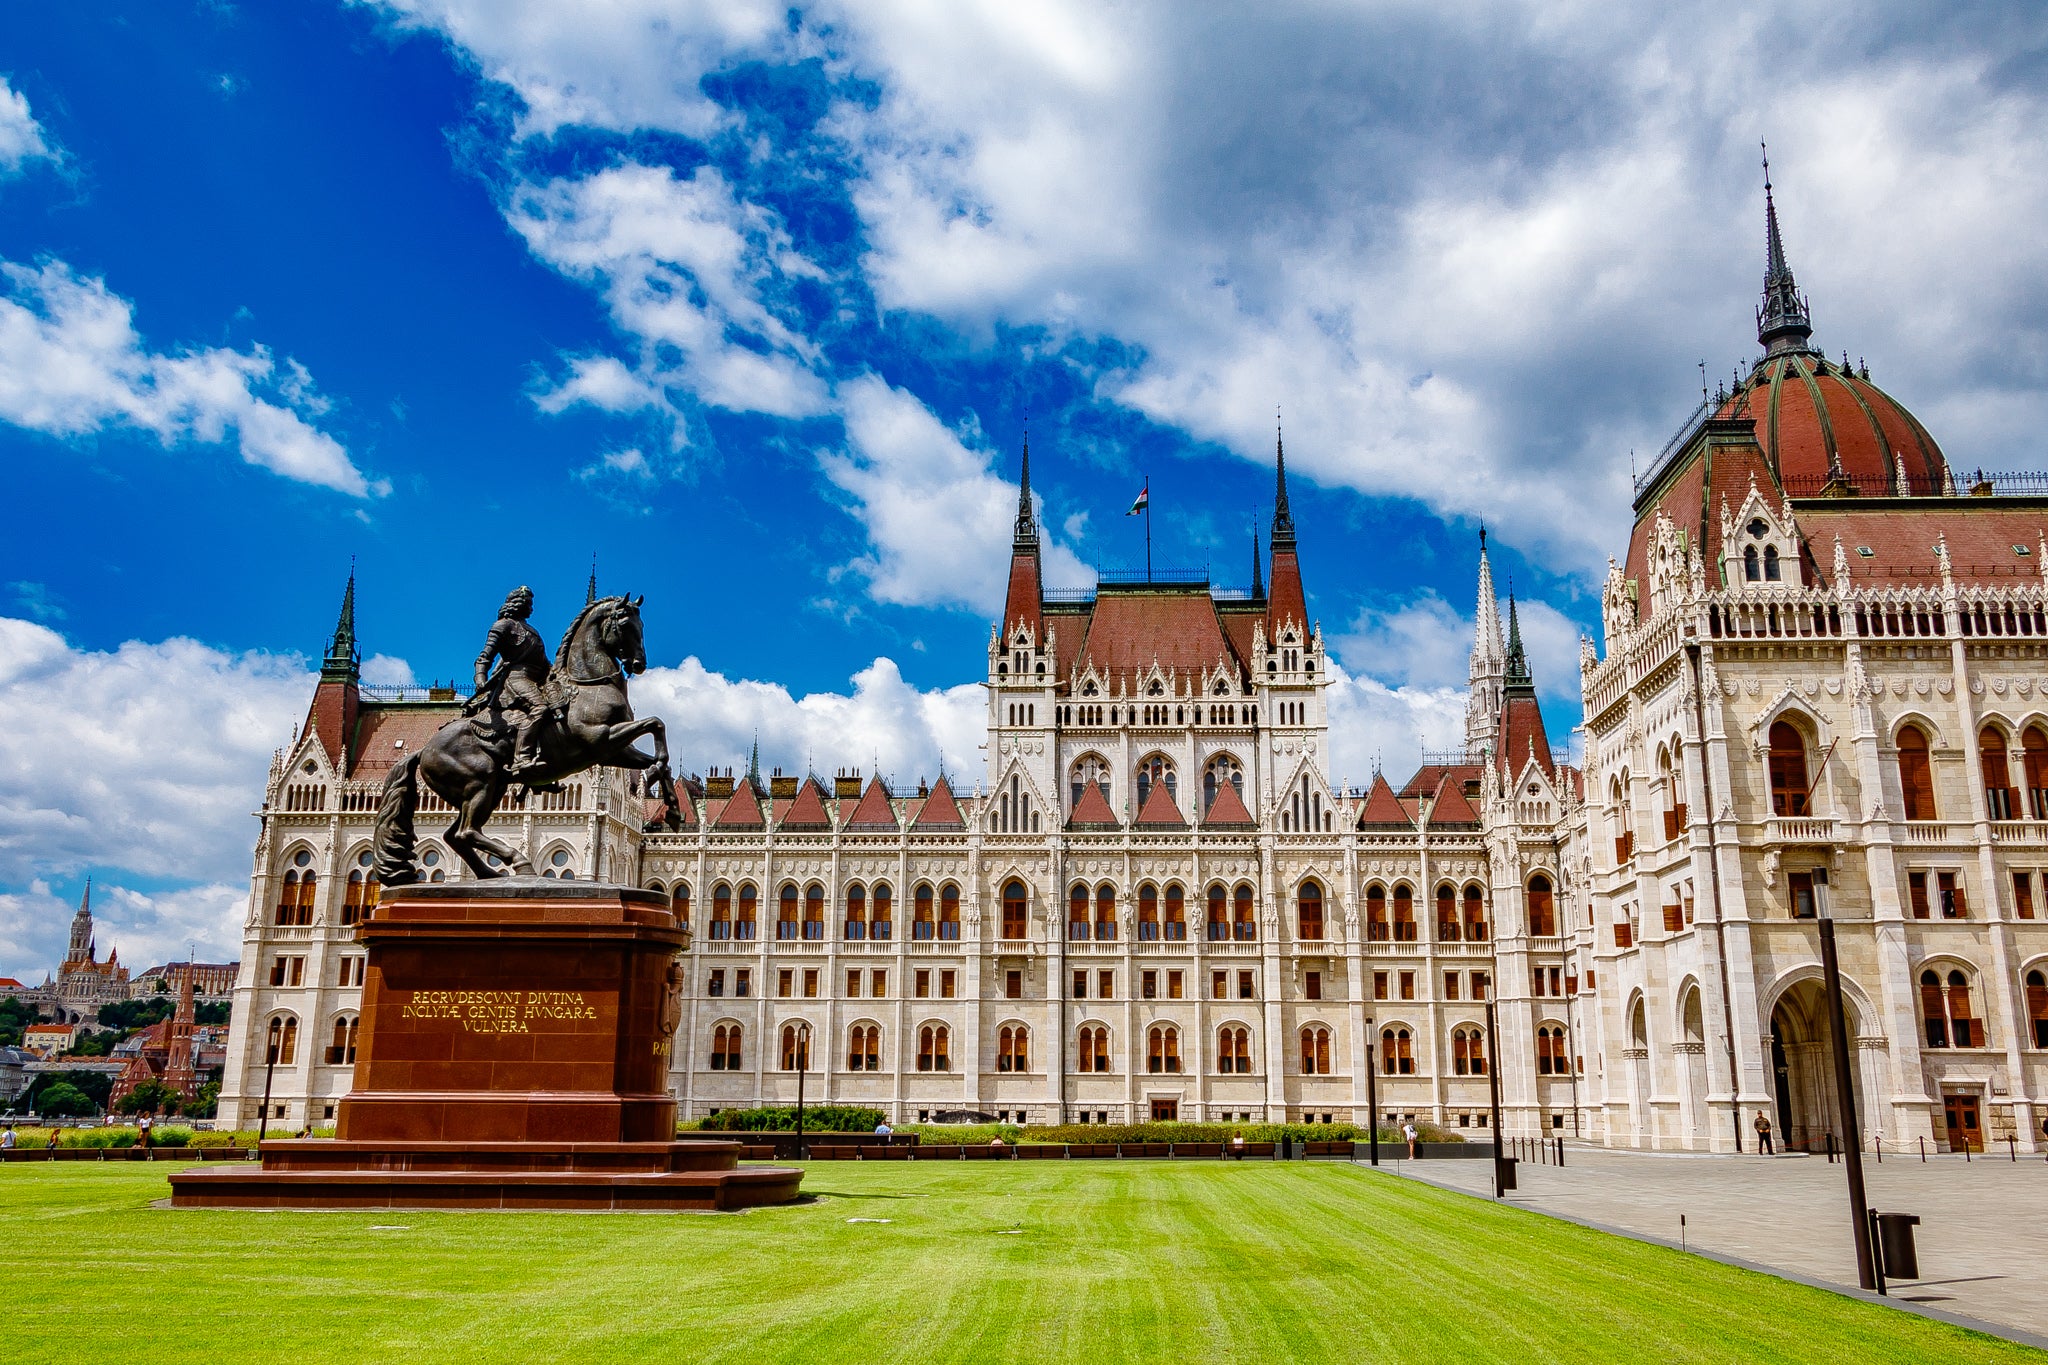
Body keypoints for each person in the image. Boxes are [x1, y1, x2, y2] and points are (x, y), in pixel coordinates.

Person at [469, 585, 554, 779]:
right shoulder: (503, 626)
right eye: (529, 603)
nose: (532, 607)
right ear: (519, 603)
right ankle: (521, 759)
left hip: (536, 678)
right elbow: (484, 657)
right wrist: (480, 678)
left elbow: (543, 662)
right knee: (540, 707)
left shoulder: (532, 631)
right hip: (516, 678)